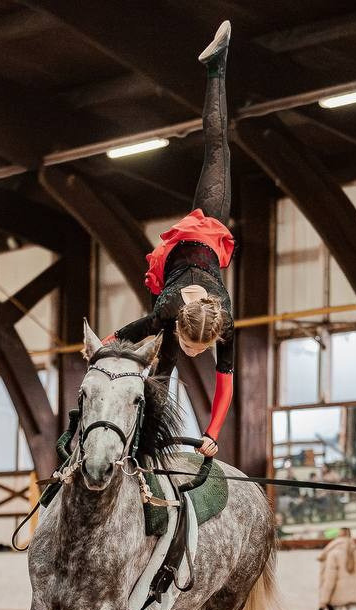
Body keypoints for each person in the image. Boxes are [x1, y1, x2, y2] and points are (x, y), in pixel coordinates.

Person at [108, 21, 235, 459]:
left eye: (199, 348)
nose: (195, 353)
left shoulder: (221, 328)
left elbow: (224, 385)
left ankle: (216, 66)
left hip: (194, 252)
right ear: (182, 327)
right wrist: (97, 349)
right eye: (191, 346)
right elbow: (121, 335)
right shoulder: (168, 311)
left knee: (159, 381)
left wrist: (213, 432)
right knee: (218, 149)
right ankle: (217, 68)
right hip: (207, 231)